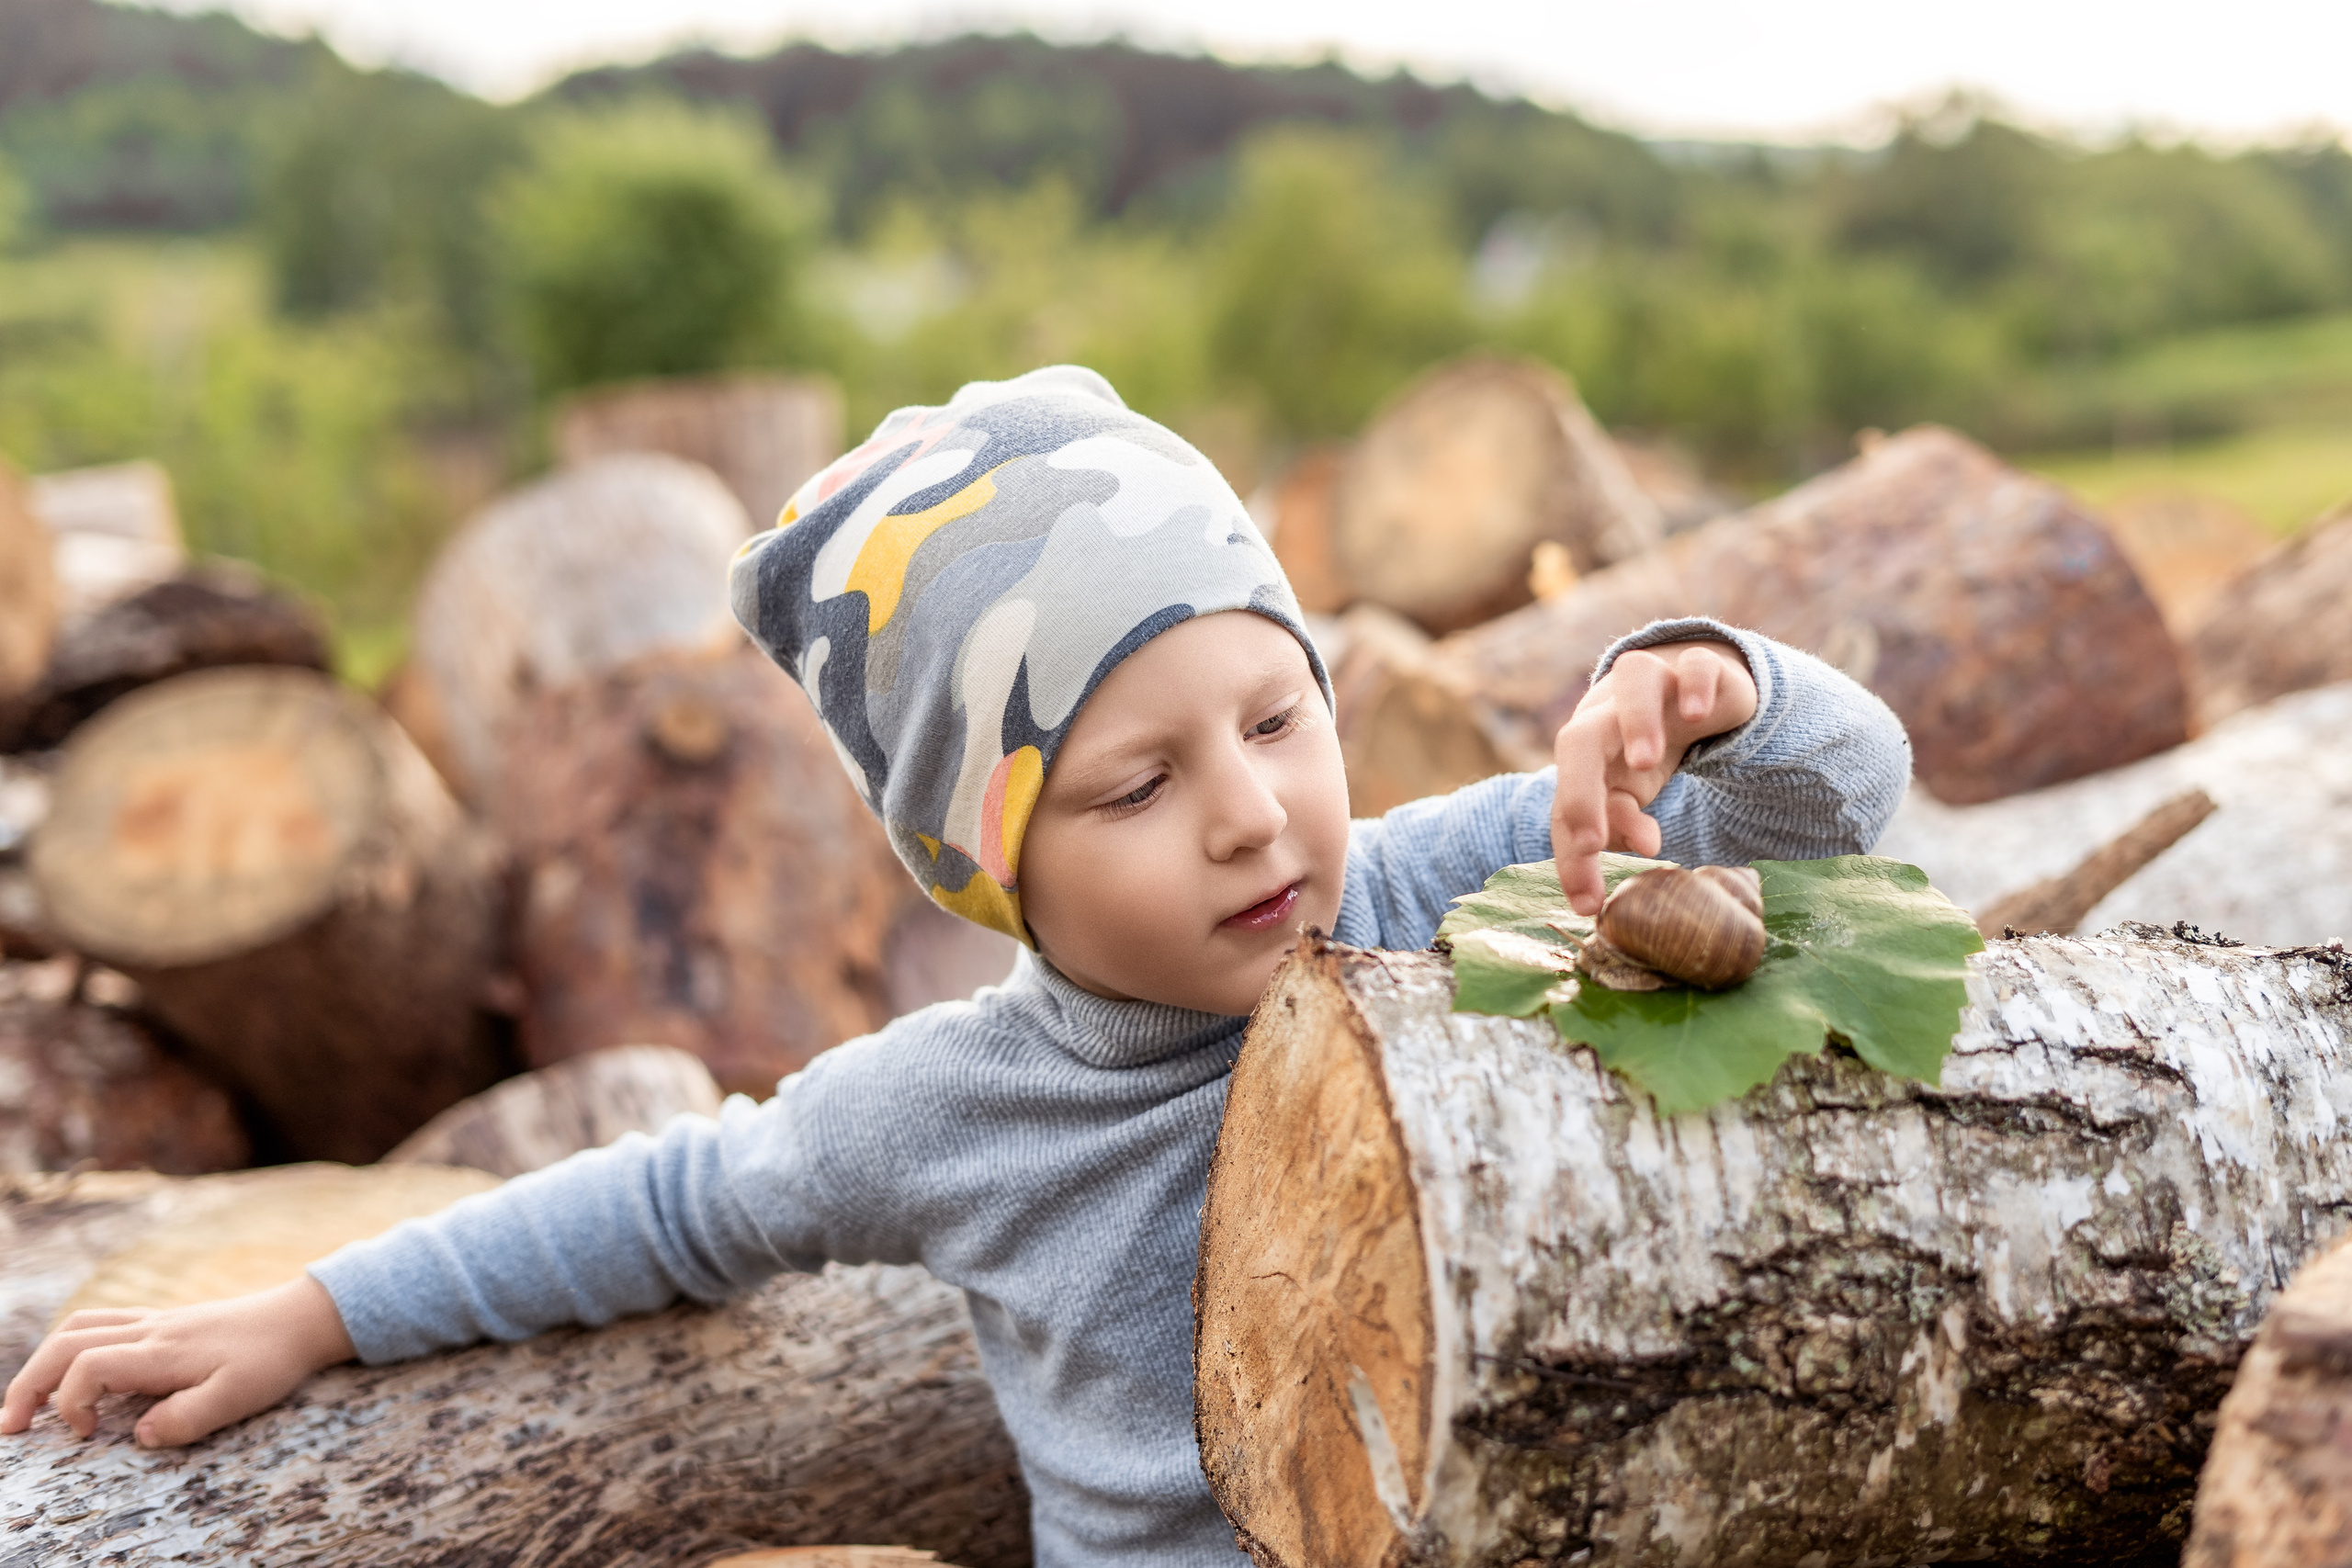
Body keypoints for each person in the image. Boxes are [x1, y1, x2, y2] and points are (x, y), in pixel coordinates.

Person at [0, 366, 1910, 1565]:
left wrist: (1714, 690)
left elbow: (1828, 835)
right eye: (1135, 783)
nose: (1249, 816)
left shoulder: (1443, 895)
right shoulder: (947, 1108)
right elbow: (666, 1199)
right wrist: (312, 1309)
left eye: (1273, 714)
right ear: (988, 870)